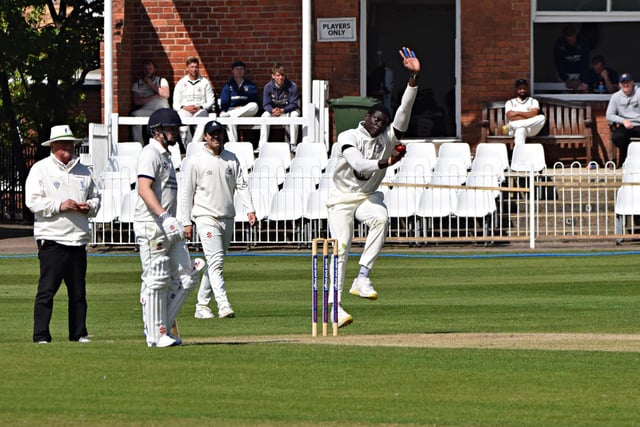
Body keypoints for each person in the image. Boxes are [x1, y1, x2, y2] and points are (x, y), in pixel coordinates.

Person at [326, 46, 419, 328]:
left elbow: (404, 111)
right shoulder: (348, 136)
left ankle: (363, 277)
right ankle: (334, 307)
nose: (379, 125)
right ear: (367, 117)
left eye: (383, 122)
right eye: (376, 120)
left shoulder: (388, 137)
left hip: (366, 196)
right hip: (340, 200)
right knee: (340, 248)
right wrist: (385, 162)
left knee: (381, 217)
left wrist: (413, 80)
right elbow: (359, 164)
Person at [134, 108, 204, 347]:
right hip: (152, 226)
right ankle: (155, 334)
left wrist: (173, 219)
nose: (175, 132)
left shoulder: (166, 156)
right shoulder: (150, 153)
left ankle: (162, 327)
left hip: (169, 226)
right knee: (157, 278)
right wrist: (164, 216)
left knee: (187, 276)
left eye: (176, 128)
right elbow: (143, 189)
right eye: (171, 129)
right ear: (157, 131)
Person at [25, 125, 101, 343]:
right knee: (47, 290)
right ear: (54, 146)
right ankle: (41, 335)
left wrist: (90, 207)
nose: (69, 148)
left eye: (71, 144)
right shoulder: (41, 169)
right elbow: (33, 201)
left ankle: (78, 334)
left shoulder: (84, 170)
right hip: (52, 238)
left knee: (78, 292)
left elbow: (96, 197)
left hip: (77, 238)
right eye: (64, 144)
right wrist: (60, 205)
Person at [179, 121, 257, 320]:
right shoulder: (196, 161)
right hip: (205, 217)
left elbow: (242, 186)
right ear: (205, 136)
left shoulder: (231, 159)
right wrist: (186, 221)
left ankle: (202, 305)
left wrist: (250, 210)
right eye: (212, 134)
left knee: (216, 263)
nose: (216, 137)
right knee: (216, 262)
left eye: (219, 133)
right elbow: (186, 193)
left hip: (227, 217)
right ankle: (223, 305)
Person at [172, 56, 217, 144]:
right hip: (185, 110)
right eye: (192, 67)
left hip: (200, 110)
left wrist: (200, 107)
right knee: (183, 127)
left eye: (196, 67)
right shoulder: (181, 83)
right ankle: (188, 147)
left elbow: (211, 101)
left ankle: (195, 146)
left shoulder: (205, 82)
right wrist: (183, 107)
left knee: (202, 123)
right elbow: (175, 103)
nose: (194, 69)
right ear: (187, 68)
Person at [259, 63, 300, 152]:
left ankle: (293, 144)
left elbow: (294, 104)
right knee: (264, 116)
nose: (280, 78)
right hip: (274, 112)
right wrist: (272, 110)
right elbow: (266, 104)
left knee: (295, 115)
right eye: (278, 75)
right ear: (273, 76)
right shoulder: (268, 87)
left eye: (282, 75)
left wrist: (282, 110)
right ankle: (262, 145)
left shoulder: (292, 86)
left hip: (288, 110)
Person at [131, 60, 170, 144]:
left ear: (154, 69)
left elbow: (166, 94)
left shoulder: (161, 80)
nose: (148, 70)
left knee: (164, 112)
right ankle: (138, 143)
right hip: (147, 108)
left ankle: (165, 142)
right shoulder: (137, 84)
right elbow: (137, 101)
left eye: (150, 68)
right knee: (135, 115)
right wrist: (154, 96)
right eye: (145, 68)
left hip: (161, 107)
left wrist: (150, 84)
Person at [219, 61, 260, 142]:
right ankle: (233, 144)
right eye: (237, 69)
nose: (239, 71)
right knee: (231, 119)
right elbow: (224, 101)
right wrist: (232, 109)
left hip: (246, 111)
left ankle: (230, 115)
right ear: (232, 71)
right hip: (232, 110)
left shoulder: (250, 85)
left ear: (244, 71)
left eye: (241, 69)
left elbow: (253, 99)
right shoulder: (228, 85)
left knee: (254, 105)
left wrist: (241, 108)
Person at [606, 73, 640, 164]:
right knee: (617, 137)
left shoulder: (639, 93)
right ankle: (625, 161)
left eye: (628, 82)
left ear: (632, 82)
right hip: (625, 126)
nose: (626, 85)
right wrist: (623, 120)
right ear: (620, 84)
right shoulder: (615, 96)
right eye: (623, 83)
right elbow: (609, 115)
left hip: (639, 124)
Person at [504, 78, 546, 146]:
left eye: (524, 88)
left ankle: (511, 125)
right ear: (516, 89)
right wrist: (528, 116)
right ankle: (519, 155)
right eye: (520, 88)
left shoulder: (533, 101)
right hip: (514, 130)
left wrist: (517, 113)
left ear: (527, 88)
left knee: (542, 117)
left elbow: (534, 114)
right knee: (521, 129)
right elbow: (511, 117)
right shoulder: (510, 102)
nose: (522, 90)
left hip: (531, 129)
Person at [553, 25, 590, 90]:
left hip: (579, 74)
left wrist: (581, 79)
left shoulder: (583, 42)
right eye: (569, 40)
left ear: (575, 35)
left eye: (573, 39)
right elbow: (558, 63)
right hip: (565, 74)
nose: (571, 42)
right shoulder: (560, 44)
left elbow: (586, 63)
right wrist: (565, 79)